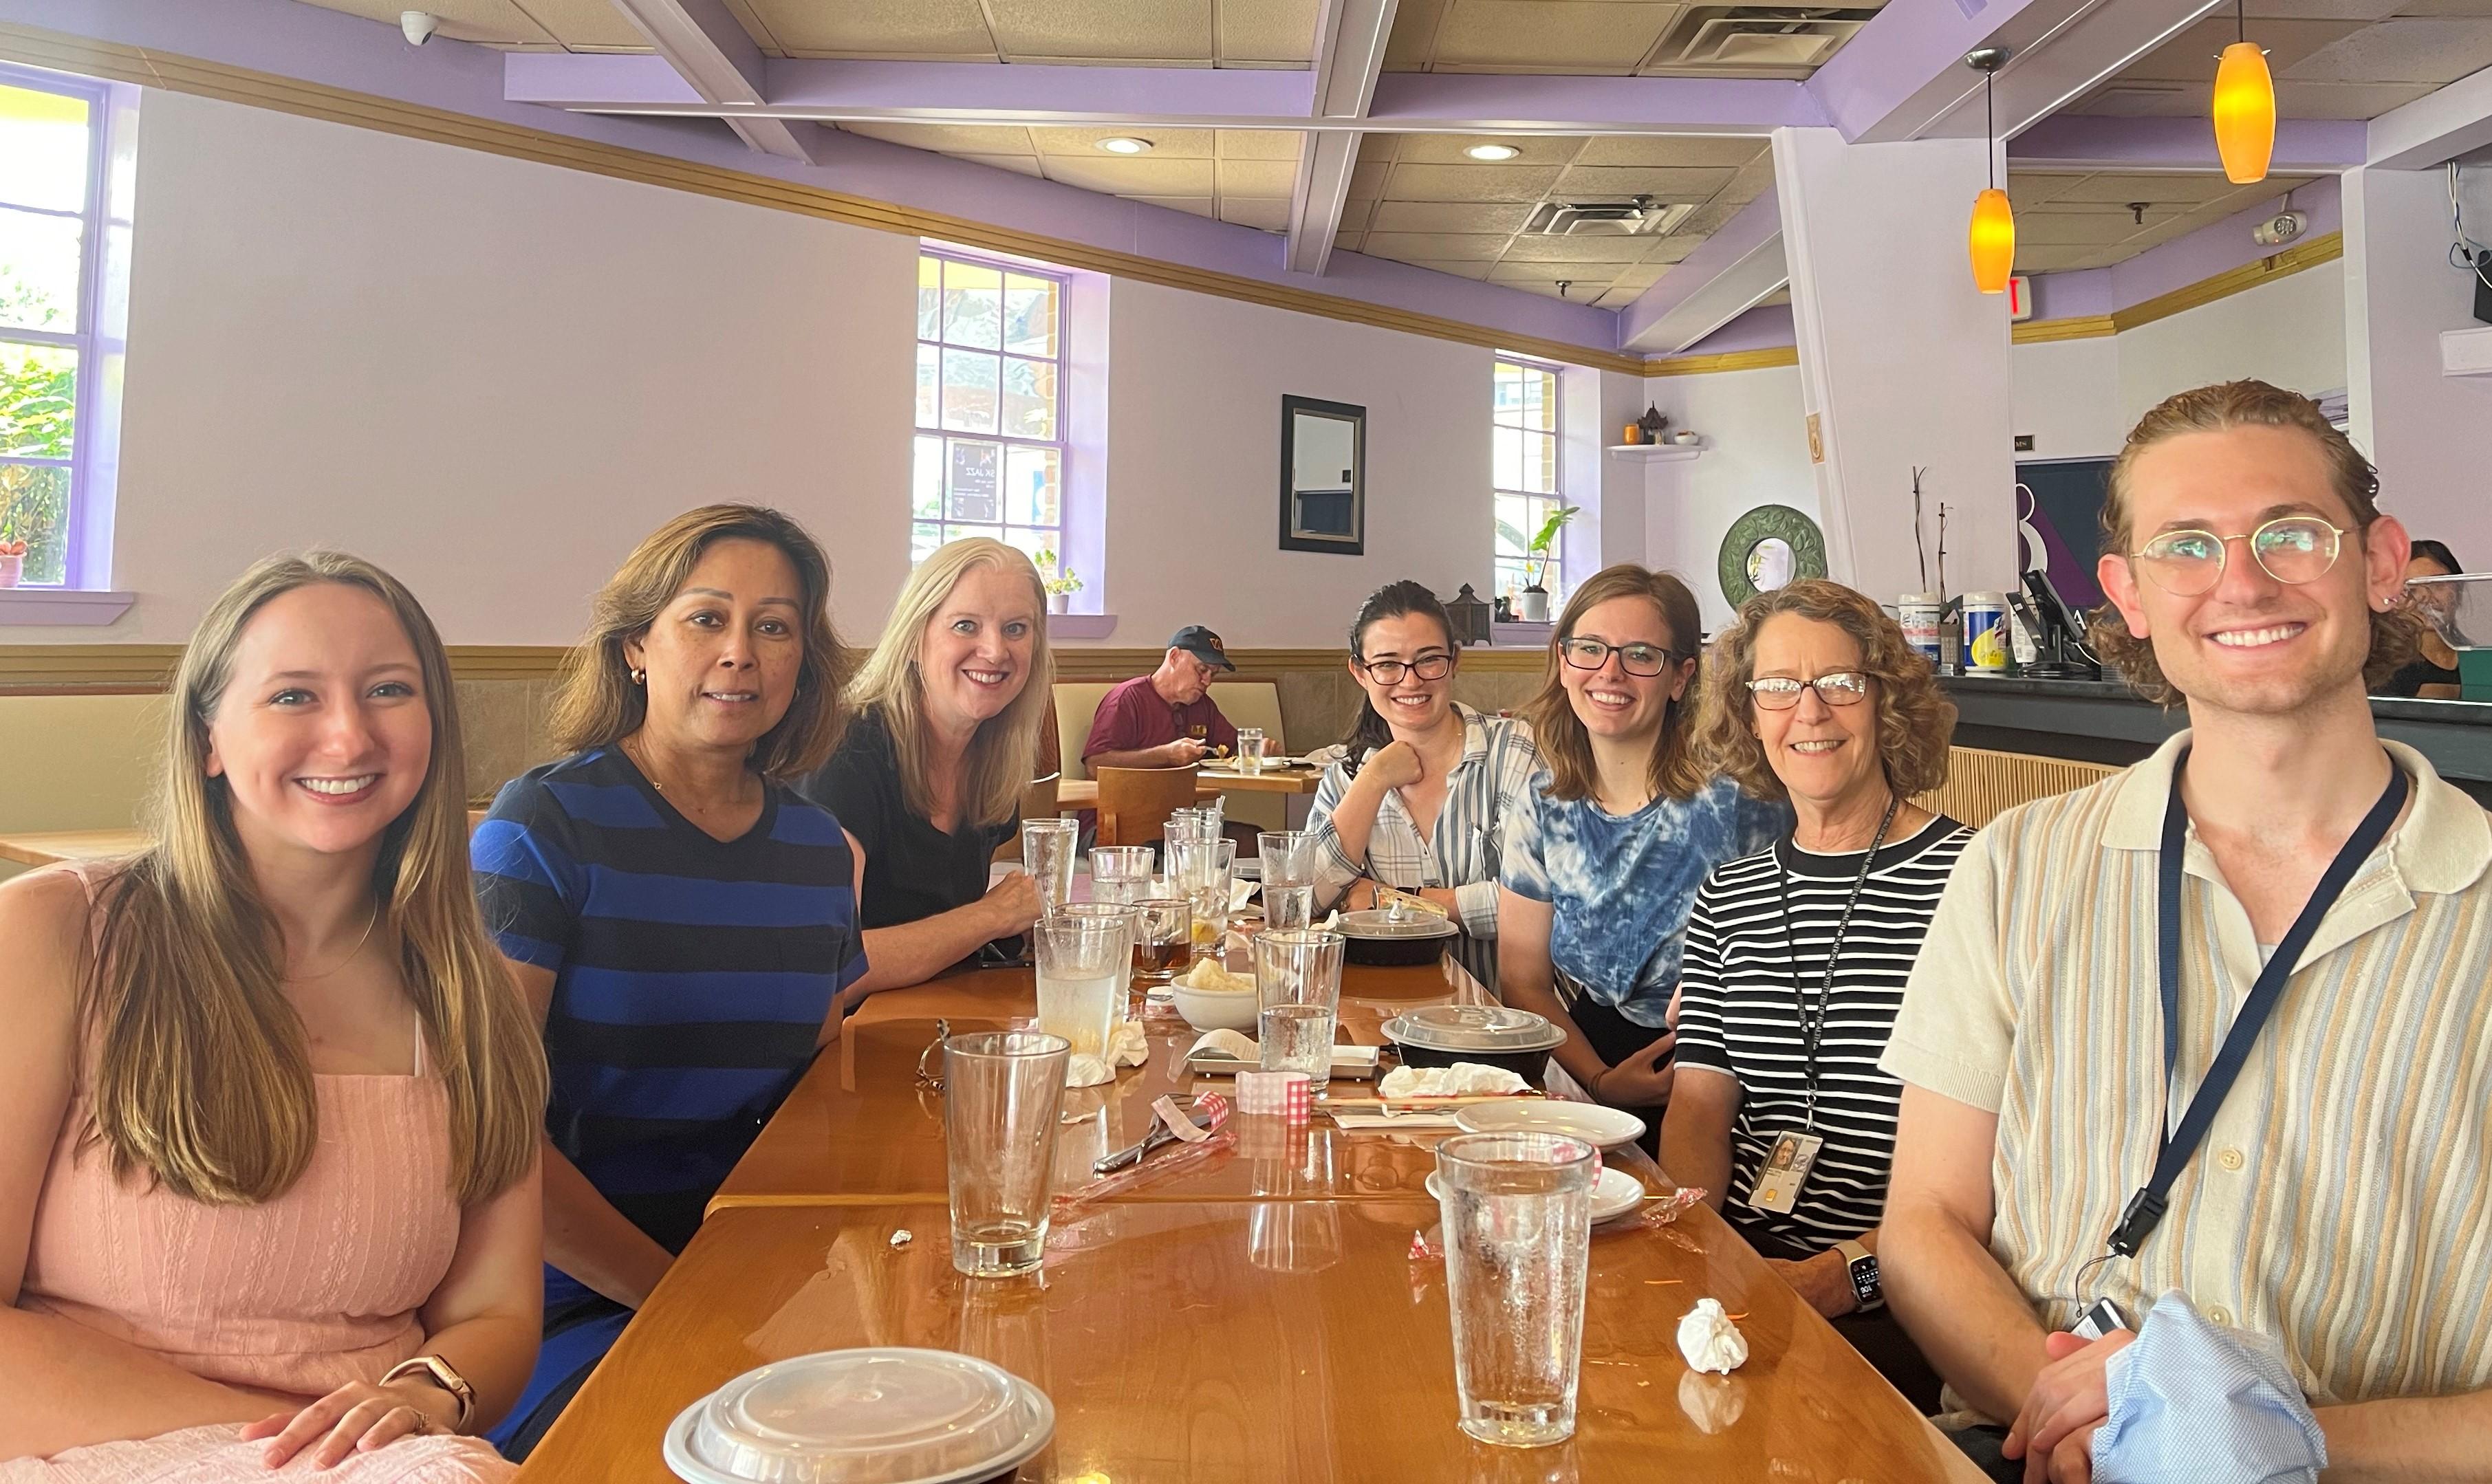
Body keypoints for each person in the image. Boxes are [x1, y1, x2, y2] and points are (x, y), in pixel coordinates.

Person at [1878, 381, 2492, 1482]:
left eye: (2289, 534)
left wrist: (2262, 1441)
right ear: (2124, 595)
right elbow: (1922, 1224)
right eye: (2185, 546)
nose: (2240, 581)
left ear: (2381, 561)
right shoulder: (2015, 868)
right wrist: (2073, 1412)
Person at [1, 553, 547, 1478]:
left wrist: (422, 1396)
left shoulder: (469, 988)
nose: (347, 735)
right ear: (208, 737)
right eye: (294, 696)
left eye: (387, 690)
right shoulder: (58, 932)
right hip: (89, 1445)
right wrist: (309, 1447)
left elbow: (495, 1312)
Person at [473, 505, 925, 1456]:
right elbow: (488, 1136)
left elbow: (814, 1085)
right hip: (552, 1293)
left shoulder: (811, 849)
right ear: (636, 644)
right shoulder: (545, 824)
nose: (740, 653)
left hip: (753, 1270)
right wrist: (682, 1297)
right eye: (705, 618)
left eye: (774, 627)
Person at [1664, 578, 1970, 1413]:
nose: (1809, 712)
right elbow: (1698, 1106)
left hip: (1904, 1285)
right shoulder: (1728, 895)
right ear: (1748, 711)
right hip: (1747, 1265)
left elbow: (2001, 1168)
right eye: (1776, 687)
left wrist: (1839, 1277)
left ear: (1884, 701)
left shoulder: (1971, 882)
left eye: (1838, 683)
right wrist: (1700, 1249)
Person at [1498, 565, 1787, 1114]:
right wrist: (1602, 1082)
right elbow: (1524, 982)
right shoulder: (1542, 803)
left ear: (1680, 677)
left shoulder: (1737, 799)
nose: (1610, 673)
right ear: (1563, 662)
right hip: (1587, 1064)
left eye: (1640, 656)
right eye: (1590, 649)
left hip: (1726, 1074)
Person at [800, 538, 1048, 964]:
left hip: (944, 1020)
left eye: (1016, 629)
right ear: (915, 638)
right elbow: (831, 963)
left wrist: (1010, 930)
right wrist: (989, 917)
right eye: (966, 625)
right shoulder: (847, 747)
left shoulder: (993, 758)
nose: (994, 651)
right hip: (851, 1029)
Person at [1305, 580, 1538, 990]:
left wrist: (1391, 901)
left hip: (1506, 1020)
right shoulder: (1346, 774)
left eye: (1429, 660)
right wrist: (1374, 780)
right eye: (1387, 664)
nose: (1411, 681)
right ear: (1360, 673)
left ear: (1455, 660)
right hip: (1385, 1018)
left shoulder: (1510, 749)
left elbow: (1541, 901)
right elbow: (1305, 897)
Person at [1083, 626, 1240, 772]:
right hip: (1132, 800)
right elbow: (1094, 764)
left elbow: (1232, 747)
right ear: (1174, 657)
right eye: (1202, 669)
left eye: (1213, 674)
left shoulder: (1202, 704)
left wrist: (1256, 748)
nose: (1208, 681)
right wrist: (1166, 755)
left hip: (1191, 799)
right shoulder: (1127, 699)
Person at [2375, 538, 2464, 698]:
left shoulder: (2479, 655)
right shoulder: (2381, 665)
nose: (2426, 598)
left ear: (2459, 588)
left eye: (2437, 585)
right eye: (2411, 589)